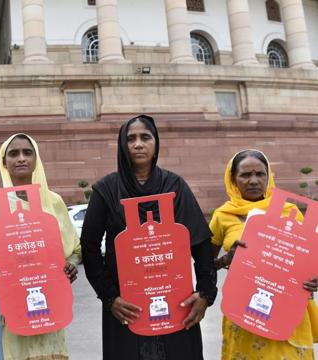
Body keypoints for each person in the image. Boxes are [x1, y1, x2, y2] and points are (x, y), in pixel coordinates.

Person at [80, 115, 217, 360]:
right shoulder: (107, 190)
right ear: (122, 145)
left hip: (176, 302)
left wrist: (205, 294)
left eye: (145, 137)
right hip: (126, 307)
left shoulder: (175, 186)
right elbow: (89, 247)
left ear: (156, 144)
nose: (138, 144)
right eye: (130, 138)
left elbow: (200, 242)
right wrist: (110, 298)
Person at [0, 133, 82, 360]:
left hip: (48, 302)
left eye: (27, 152)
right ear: (4, 161)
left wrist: (71, 264)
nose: (21, 158)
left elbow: (75, 249)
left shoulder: (53, 202)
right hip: (8, 305)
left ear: (36, 159)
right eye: (13, 153)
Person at [209, 149, 318, 359]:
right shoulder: (223, 215)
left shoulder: (289, 212)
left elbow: (309, 258)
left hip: (287, 309)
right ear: (232, 179)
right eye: (245, 175)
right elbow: (205, 264)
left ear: (269, 177)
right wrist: (226, 259)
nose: (253, 181)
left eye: (260, 174)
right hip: (244, 310)